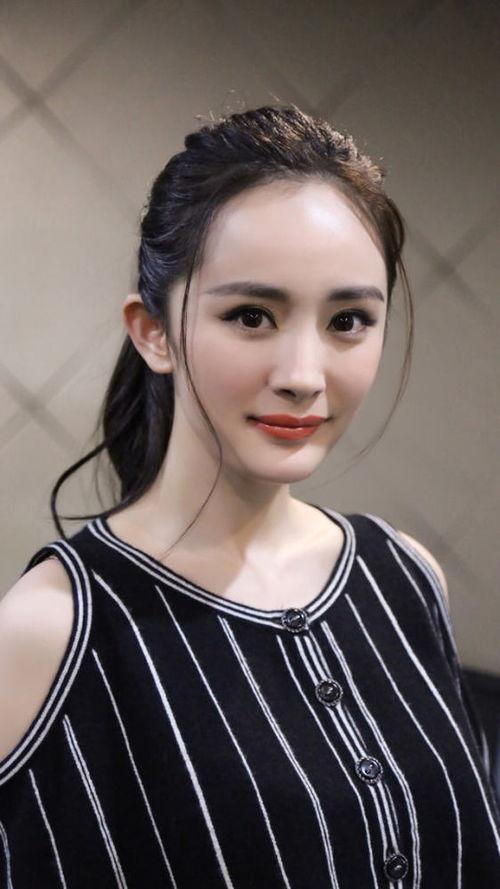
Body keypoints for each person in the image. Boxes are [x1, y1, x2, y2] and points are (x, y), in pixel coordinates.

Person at [0, 103, 498, 888]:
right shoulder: (51, 629)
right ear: (152, 331)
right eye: (252, 315)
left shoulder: (404, 576)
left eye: (348, 320)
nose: (303, 374)